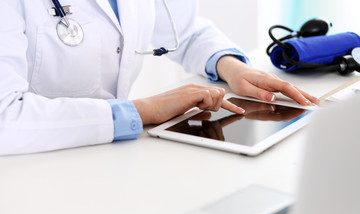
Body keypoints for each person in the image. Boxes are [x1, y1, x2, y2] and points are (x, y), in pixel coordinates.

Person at [0, 0, 318, 155]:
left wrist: (230, 65)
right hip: (30, 167)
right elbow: (5, 117)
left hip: (110, 158)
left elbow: (183, 29)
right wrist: (141, 111)